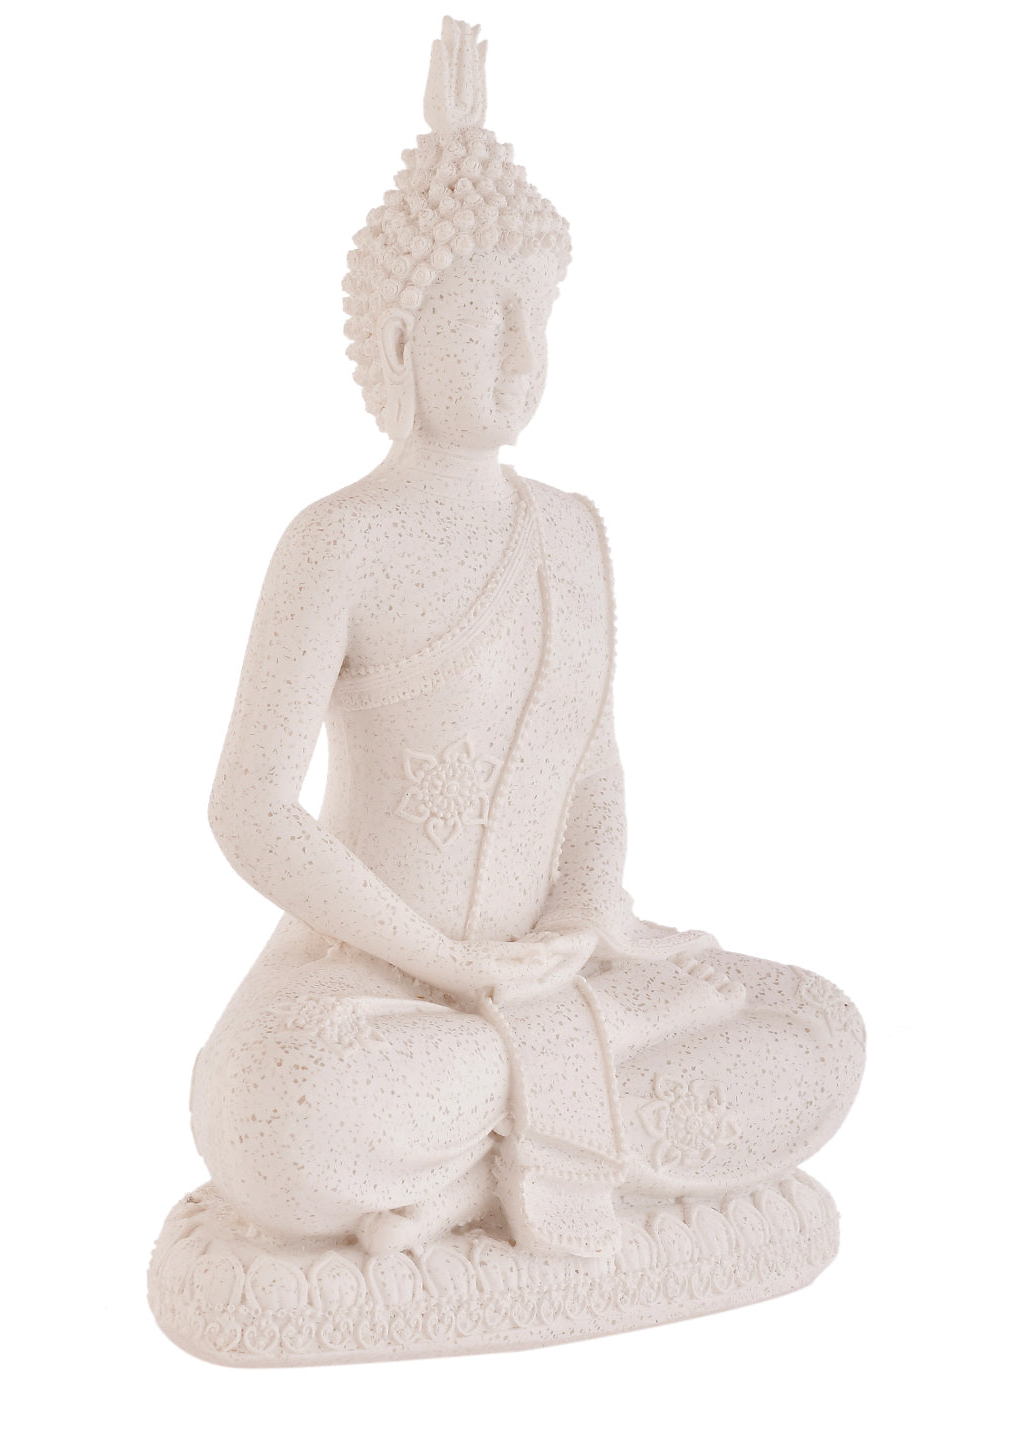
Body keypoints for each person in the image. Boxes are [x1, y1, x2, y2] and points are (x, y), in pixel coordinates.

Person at [189, 18, 864, 1266]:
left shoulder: (570, 532)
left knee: (818, 1029)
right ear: (399, 339)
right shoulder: (339, 542)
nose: (520, 353)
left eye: (538, 316)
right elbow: (251, 810)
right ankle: (562, 1110)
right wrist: (448, 963)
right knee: (277, 1120)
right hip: (378, 992)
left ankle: (476, 1166)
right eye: (482, 317)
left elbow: (591, 767)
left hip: (557, 975)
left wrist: (584, 911)